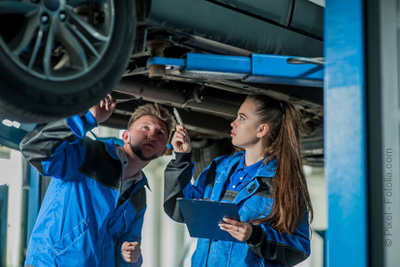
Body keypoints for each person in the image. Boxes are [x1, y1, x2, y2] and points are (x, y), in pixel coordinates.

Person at [20, 94, 175, 267]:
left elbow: (126, 248)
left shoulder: (139, 195)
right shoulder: (87, 154)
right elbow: (33, 149)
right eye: (145, 127)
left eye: (160, 133)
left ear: (163, 151)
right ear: (126, 136)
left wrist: (131, 256)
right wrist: (87, 120)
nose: (152, 135)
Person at [164, 94, 314, 267]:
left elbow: (299, 249)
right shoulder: (218, 168)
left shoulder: (284, 181)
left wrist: (255, 236)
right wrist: (181, 158)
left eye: (242, 118)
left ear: (262, 130)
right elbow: (180, 208)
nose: (232, 123)